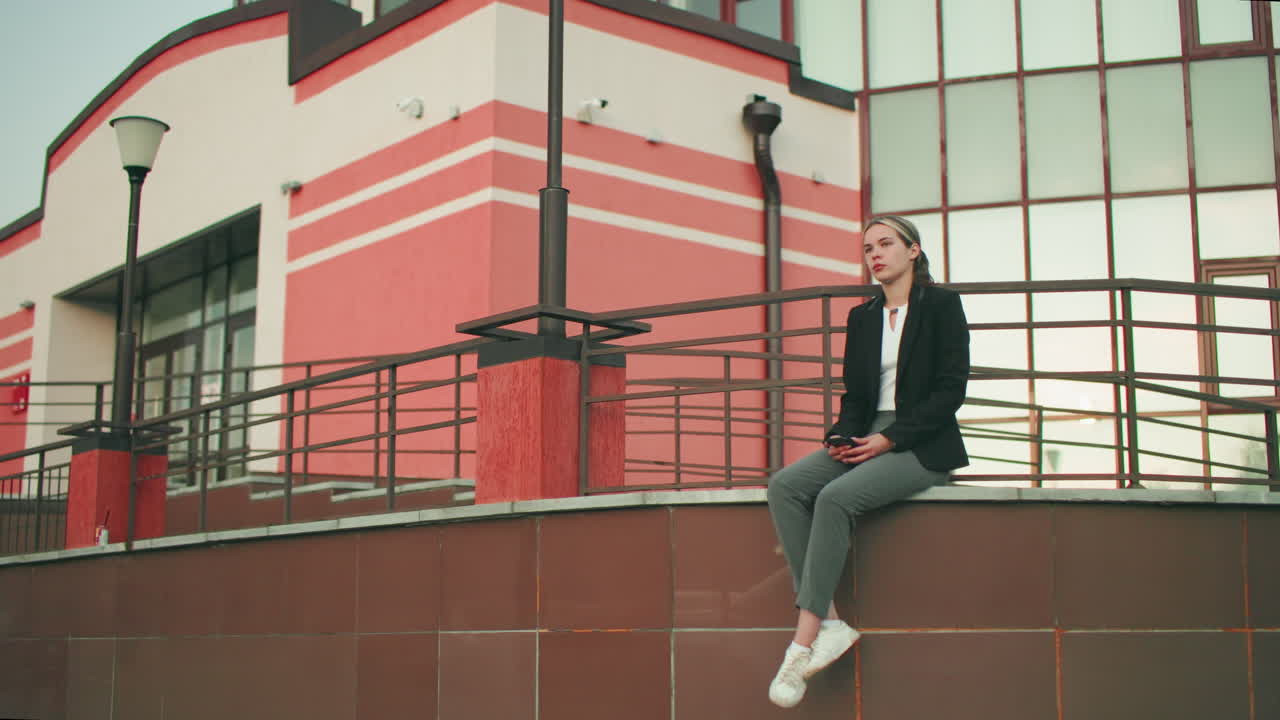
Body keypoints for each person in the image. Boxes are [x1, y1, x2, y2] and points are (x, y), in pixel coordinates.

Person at [765, 215, 970, 708]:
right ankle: (832, 621)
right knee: (786, 486)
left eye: (885, 244)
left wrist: (890, 439)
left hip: (922, 443)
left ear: (913, 251)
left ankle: (802, 642)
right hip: (866, 434)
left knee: (835, 498)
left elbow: (951, 391)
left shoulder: (942, 305)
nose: (875, 254)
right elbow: (855, 395)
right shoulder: (863, 317)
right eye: (867, 248)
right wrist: (842, 435)